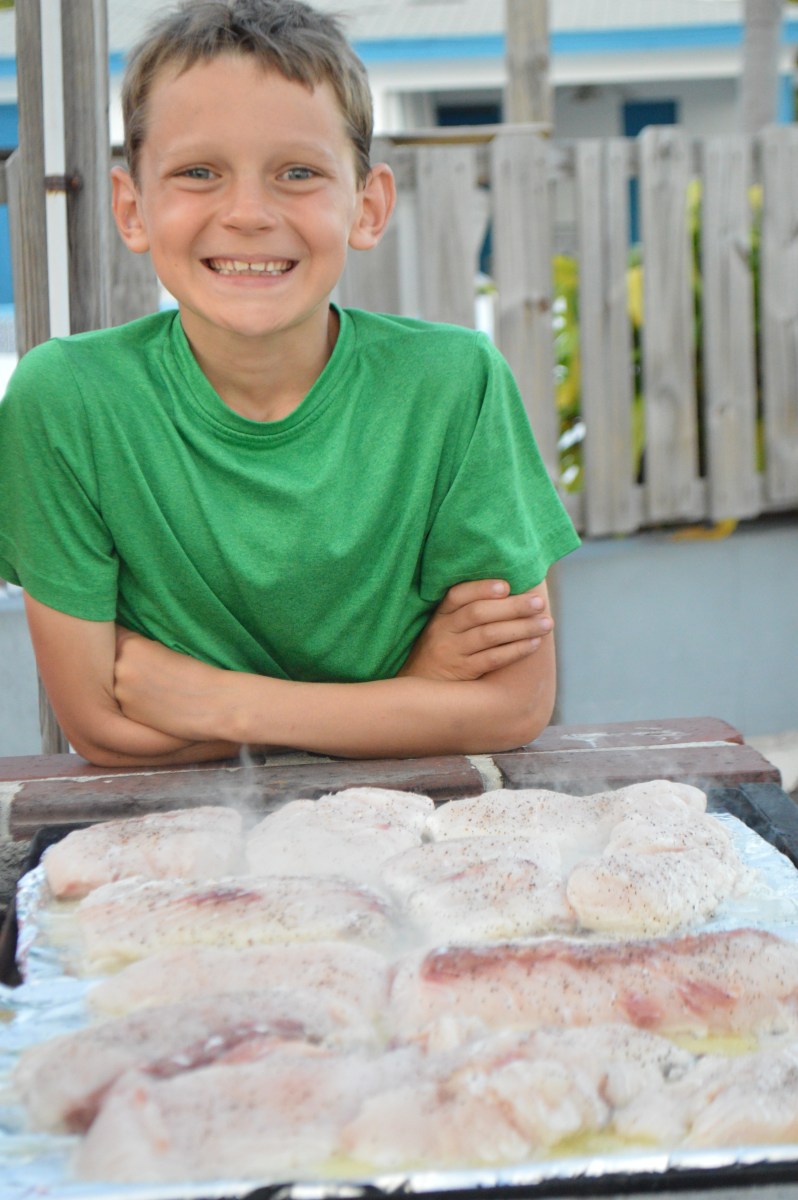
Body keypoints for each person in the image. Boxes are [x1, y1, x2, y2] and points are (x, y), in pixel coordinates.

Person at [0, 0, 580, 768]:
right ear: (132, 209)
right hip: (166, 835)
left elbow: (514, 705)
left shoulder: (453, 386)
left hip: (423, 827)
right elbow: (103, 730)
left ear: (367, 206)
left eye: (298, 173)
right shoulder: (69, 400)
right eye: (198, 173)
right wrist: (415, 692)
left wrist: (223, 701)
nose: (247, 214)